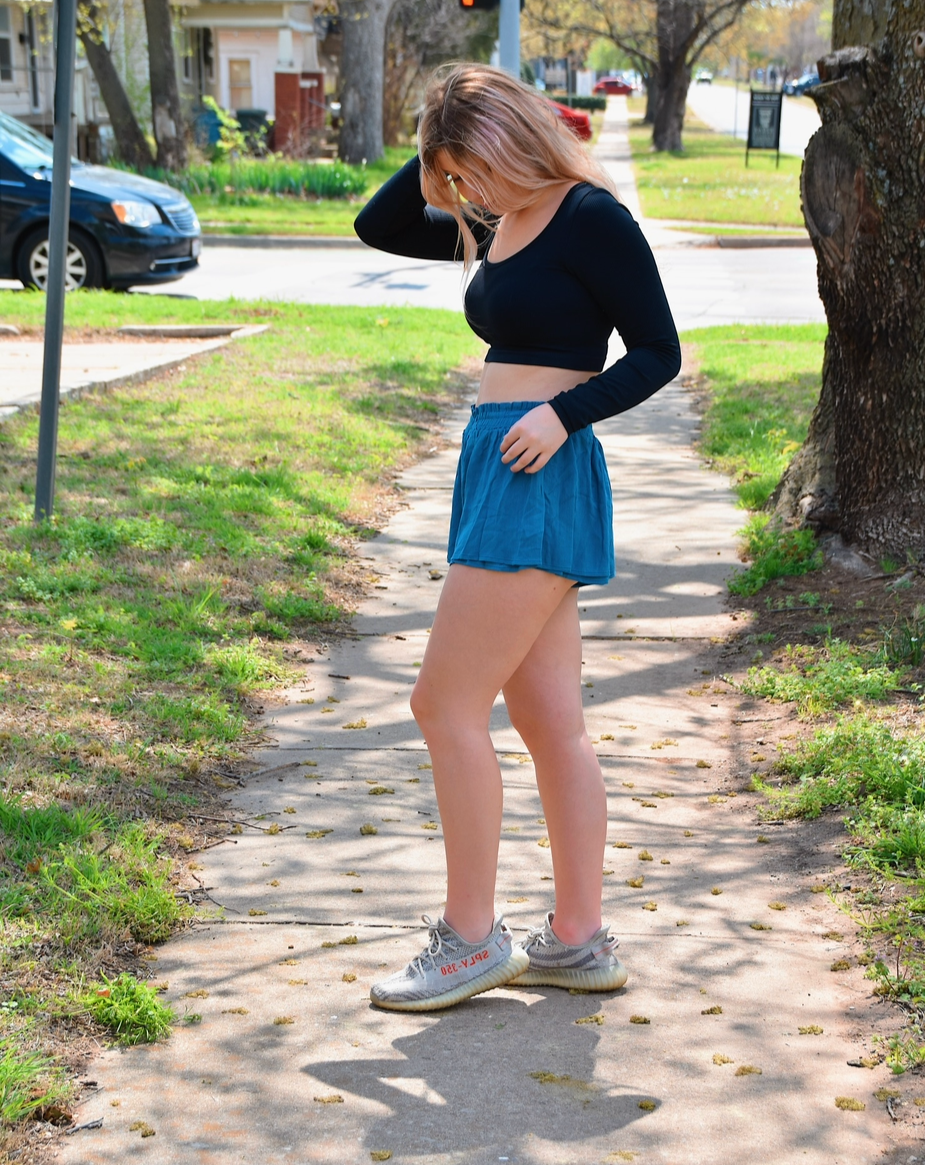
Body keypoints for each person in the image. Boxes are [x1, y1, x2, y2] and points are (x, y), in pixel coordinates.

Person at [354, 63, 680, 1013]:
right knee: (550, 724)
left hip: (536, 464)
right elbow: (379, 225)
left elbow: (658, 351)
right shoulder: (497, 219)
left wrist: (564, 414)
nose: (463, 195)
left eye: (474, 170)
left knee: (441, 706)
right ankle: (576, 941)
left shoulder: (587, 217)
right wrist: (432, 144)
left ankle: (468, 940)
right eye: (454, 179)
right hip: (497, 463)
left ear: (513, 141)